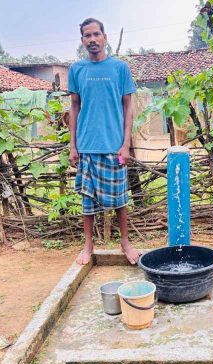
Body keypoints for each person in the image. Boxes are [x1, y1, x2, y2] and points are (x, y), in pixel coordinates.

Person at [68, 18, 140, 265]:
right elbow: (75, 107)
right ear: (82, 41)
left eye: (96, 34)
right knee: (87, 201)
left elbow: (128, 107)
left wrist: (126, 143)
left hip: (114, 145)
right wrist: (73, 145)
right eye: (87, 36)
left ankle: (125, 243)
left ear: (105, 37)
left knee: (120, 200)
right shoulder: (77, 69)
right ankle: (88, 245)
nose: (92, 40)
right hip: (87, 144)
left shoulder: (120, 69)